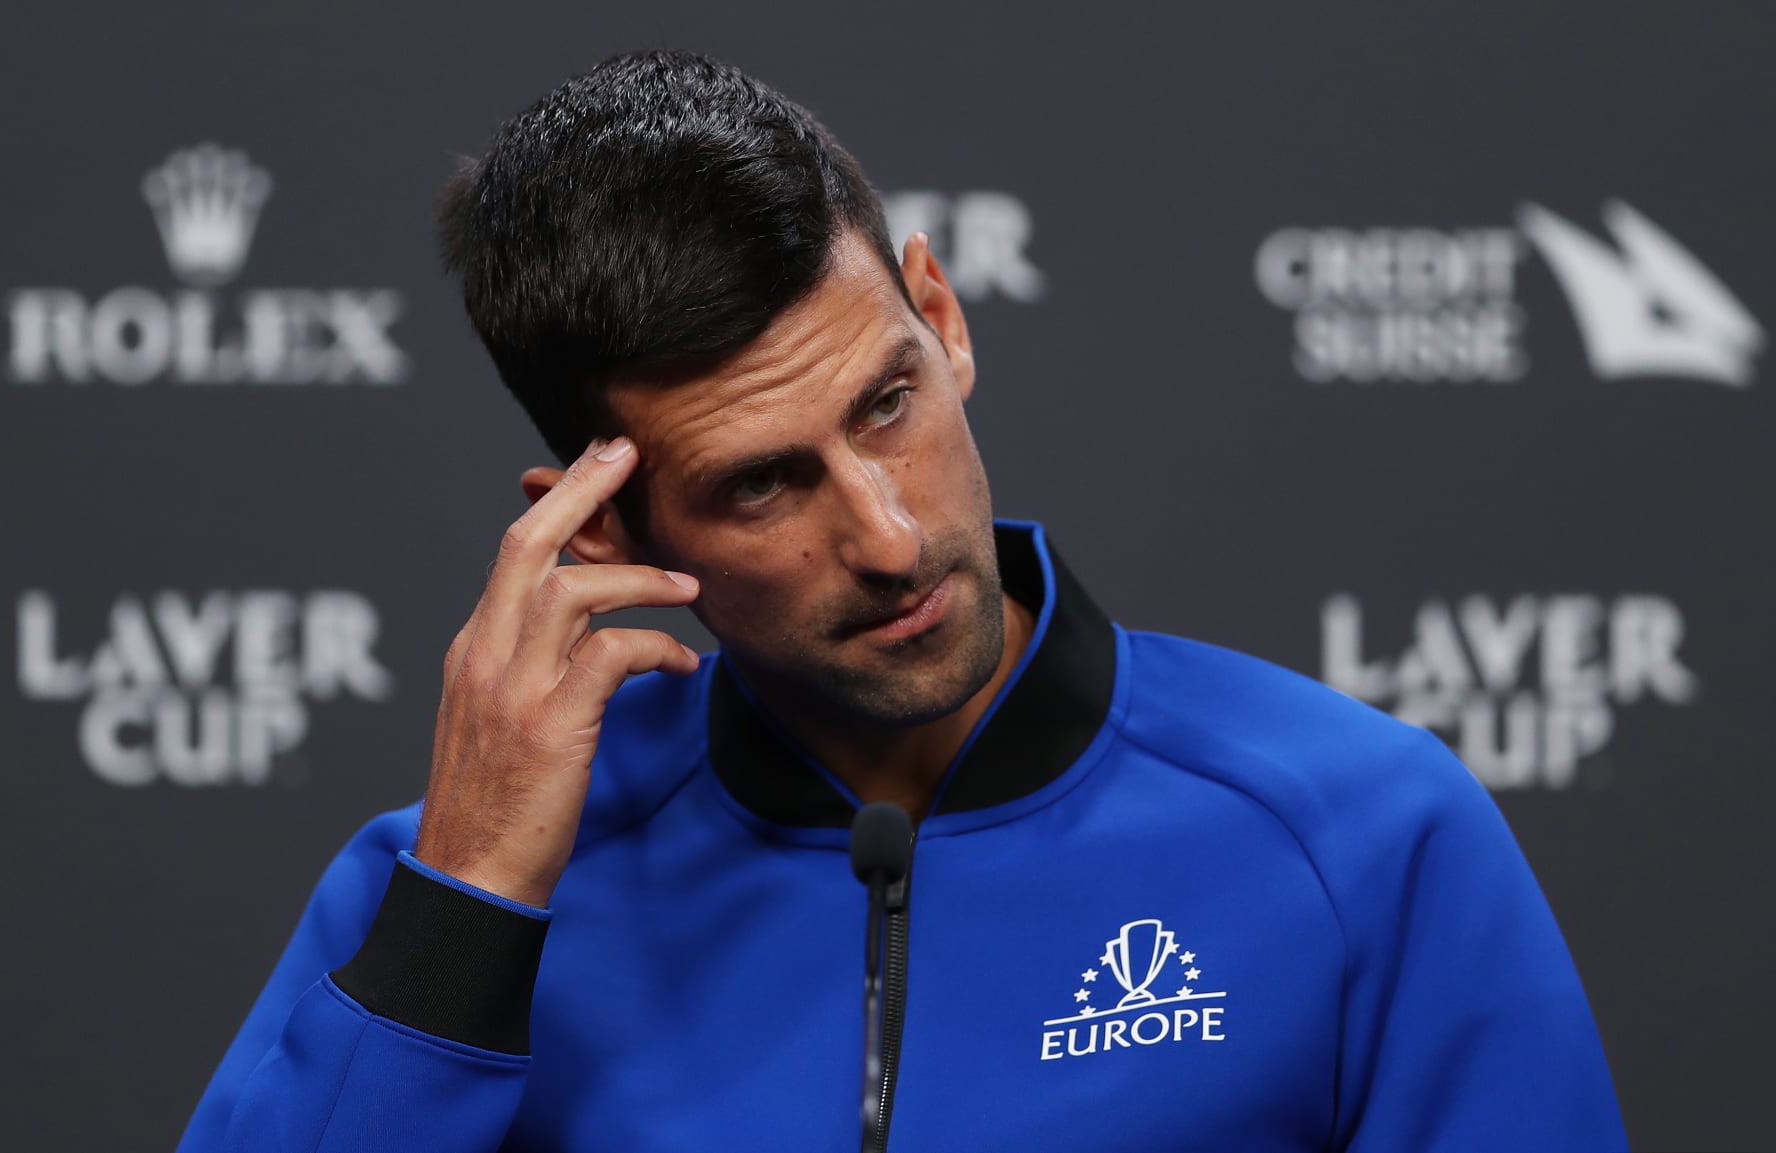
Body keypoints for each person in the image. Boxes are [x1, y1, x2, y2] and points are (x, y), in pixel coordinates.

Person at [176, 49, 1627, 1153]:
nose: (887, 532)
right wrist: (473, 908)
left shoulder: (1366, 832)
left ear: (941, 315)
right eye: (761, 484)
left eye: (886, 403)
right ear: (607, 520)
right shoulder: (451, 900)